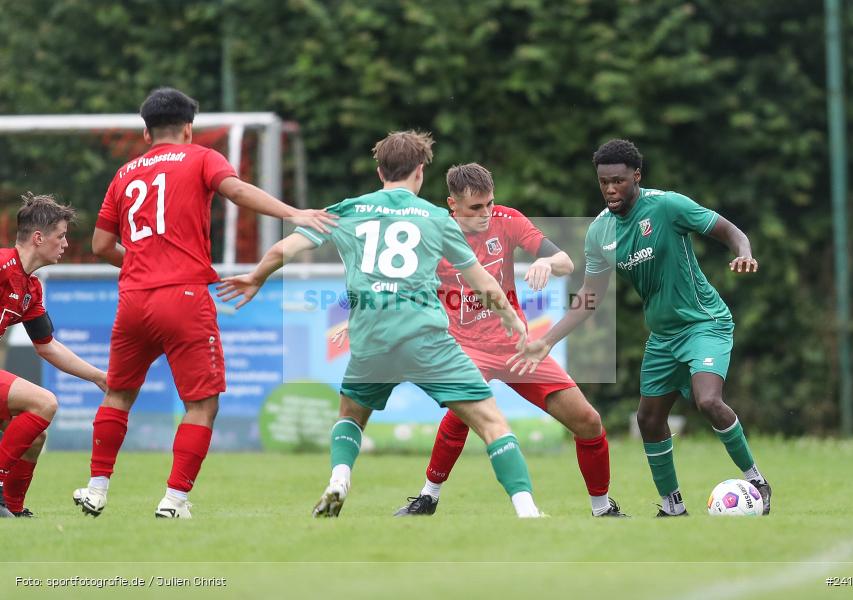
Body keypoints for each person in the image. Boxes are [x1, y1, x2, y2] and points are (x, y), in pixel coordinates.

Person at [217, 131, 543, 518]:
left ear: (379, 171)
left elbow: (283, 249)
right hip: (425, 337)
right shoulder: (438, 218)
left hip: (371, 336)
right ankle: (527, 511)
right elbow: (483, 283)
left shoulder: (349, 209)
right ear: (420, 172)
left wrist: (256, 277)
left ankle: (339, 478)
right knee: (491, 423)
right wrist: (513, 321)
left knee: (351, 417)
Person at [73, 87, 336, 519]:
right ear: (189, 129)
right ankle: (174, 500)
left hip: (134, 298)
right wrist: (293, 214)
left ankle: (96, 488)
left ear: (146, 132)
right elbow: (236, 191)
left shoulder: (123, 174)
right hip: (184, 295)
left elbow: (102, 244)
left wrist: (139, 262)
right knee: (202, 404)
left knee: (118, 394)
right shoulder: (201, 157)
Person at [510, 139, 772, 516]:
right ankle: (673, 507)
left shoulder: (666, 206)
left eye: (618, 180)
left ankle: (758, 482)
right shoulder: (600, 232)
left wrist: (744, 254)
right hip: (663, 337)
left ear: (636, 176)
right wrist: (547, 339)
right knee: (648, 419)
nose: (610, 189)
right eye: (603, 182)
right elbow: (590, 296)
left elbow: (729, 230)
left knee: (709, 400)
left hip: (704, 323)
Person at [367, 163, 625, 518]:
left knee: (589, 421)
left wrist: (547, 265)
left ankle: (602, 510)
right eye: (475, 208)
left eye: (489, 203)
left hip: (518, 346)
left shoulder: (507, 220)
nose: (486, 213)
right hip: (464, 349)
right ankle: (428, 497)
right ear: (452, 205)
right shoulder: (433, 235)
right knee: (463, 415)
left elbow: (564, 261)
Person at [0, 193, 108, 517]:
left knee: (35, 434)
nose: (64, 243)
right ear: (38, 237)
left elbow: (47, 345)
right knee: (44, 402)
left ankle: (12, 509)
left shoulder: (31, 289)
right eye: (60, 236)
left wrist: (99, 377)